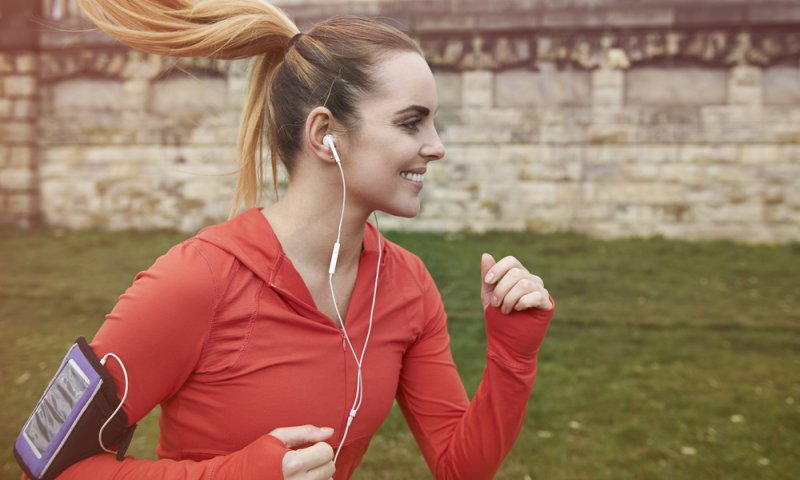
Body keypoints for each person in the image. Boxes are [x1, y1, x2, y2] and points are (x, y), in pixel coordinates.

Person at [22, 1, 555, 478]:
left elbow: (459, 466)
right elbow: (48, 467)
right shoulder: (195, 281)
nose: (437, 147)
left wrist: (513, 352)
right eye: (412, 123)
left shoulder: (408, 285)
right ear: (325, 134)